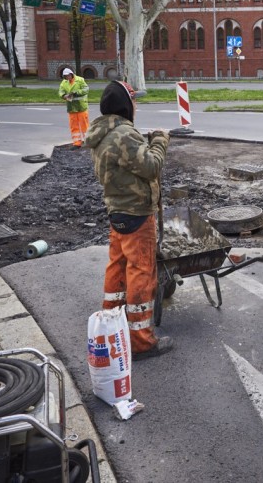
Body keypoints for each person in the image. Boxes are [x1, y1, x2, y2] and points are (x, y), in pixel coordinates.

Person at [83, 81, 173, 358]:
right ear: (126, 105)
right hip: (136, 213)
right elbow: (152, 166)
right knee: (141, 274)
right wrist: (159, 141)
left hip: (116, 211)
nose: (136, 107)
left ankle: (113, 326)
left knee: (117, 268)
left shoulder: (101, 133)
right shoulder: (124, 135)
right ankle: (142, 342)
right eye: (134, 102)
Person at [59, 68, 90, 147]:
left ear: (72, 74)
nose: (67, 77)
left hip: (81, 107)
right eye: (66, 76)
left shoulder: (80, 80)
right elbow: (61, 91)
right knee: (73, 126)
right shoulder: (64, 82)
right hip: (71, 108)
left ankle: (88, 143)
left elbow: (86, 89)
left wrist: (76, 92)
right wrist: (63, 95)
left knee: (85, 126)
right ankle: (77, 143)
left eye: (68, 75)